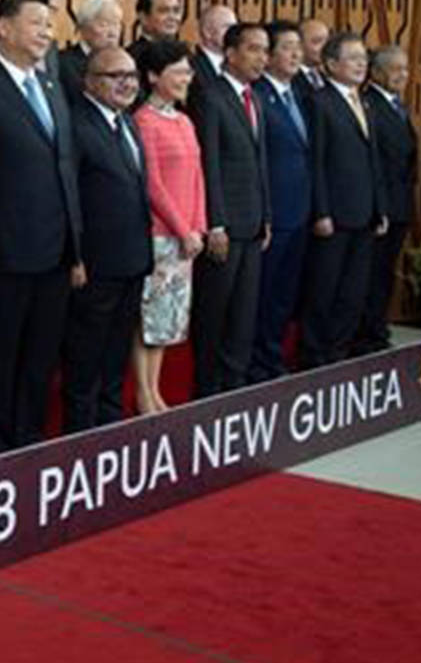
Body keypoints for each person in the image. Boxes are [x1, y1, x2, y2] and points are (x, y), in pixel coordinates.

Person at [0, 0, 81, 456]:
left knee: (41, 352)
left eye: (50, 23)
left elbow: (65, 165)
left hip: (55, 245)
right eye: (37, 22)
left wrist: (77, 245)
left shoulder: (51, 84)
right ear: (4, 28)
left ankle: (28, 435)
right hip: (3, 246)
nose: (47, 32)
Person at [61, 47, 152, 432]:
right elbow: (70, 198)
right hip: (96, 263)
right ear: (90, 80)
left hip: (132, 258)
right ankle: (82, 431)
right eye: (116, 76)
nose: (127, 83)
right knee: (87, 353)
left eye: (131, 75)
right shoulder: (75, 125)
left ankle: (109, 422)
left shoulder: (127, 122)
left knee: (116, 352)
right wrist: (75, 256)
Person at [191, 22, 272, 397]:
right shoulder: (210, 96)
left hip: (253, 223)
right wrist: (216, 223)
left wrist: (266, 216)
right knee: (215, 312)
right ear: (231, 53)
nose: (262, 58)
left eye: (265, 50)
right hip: (224, 226)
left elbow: (260, 164)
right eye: (254, 49)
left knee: (244, 313)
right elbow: (209, 165)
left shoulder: (254, 98)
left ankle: (234, 385)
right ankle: (208, 388)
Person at [302, 31, 388, 367]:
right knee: (324, 290)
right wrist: (321, 211)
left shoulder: (364, 100)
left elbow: (373, 160)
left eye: (364, 58)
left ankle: (338, 354)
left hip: (365, 213)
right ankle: (315, 357)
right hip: (333, 215)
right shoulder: (319, 101)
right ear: (331, 64)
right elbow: (317, 161)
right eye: (353, 58)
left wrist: (380, 208)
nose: (361, 65)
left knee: (352, 292)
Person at [132, 40, 206, 413]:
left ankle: (157, 390)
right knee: (150, 318)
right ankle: (145, 393)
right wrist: (181, 229)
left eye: (187, 72)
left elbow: (197, 177)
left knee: (167, 321)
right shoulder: (143, 120)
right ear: (153, 76)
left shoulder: (184, 119)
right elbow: (153, 184)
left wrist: (199, 227)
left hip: (186, 239)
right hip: (160, 235)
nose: (185, 78)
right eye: (177, 72)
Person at [248, 21, 313, 381]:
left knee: (284, 297)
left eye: (298, 47)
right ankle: (258, 364)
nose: (296, 54)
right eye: (287, 47)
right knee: (263, 294)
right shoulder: (257, 95)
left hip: (300, 211)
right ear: (269, 55)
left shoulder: (300, 95)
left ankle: (272, 359)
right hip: (272, 213)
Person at [359, 46, 417, 353]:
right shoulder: (368, 104)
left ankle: (377, 327)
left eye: (405, 69)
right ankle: (368, 333)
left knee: (385, 272)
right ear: (377, 72)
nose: (402, 75)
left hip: (400, 204)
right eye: (395, 69)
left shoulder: (399, 106)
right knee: (372, 274)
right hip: (380, 206)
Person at [59, 0, 123, 105]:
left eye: (116, 25)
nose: (113, 33)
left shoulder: (124, 62)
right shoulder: (63, 63)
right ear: (82, 27)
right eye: (103, 25)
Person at [189, 5, 237, 109]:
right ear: (208, 32)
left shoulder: (237, 65)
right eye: (227, 27)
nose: (234, 34)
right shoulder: (192, 66)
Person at [126, 0, 184, 69]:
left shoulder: (185, 54)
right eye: (164, 11)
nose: (172, 17)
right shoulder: (131, 57)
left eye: (176, 11)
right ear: (143, 18)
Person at [293, 18, 330, 100]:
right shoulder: (291, 77)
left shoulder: (329, 76)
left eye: (327, 41)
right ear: (299, 44)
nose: (325, 47)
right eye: (316, 42)